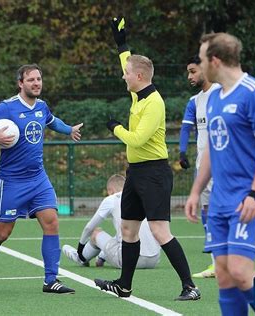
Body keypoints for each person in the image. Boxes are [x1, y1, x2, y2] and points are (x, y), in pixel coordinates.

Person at [94, 17, 200, 301]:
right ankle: (124, 285)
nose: (123, 76)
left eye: (127, 73)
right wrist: (121, 43)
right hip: (136, 173)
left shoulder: (154, 102)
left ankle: (190, 286)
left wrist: (115, 127)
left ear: (139, 77)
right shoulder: (138, 97)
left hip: (154, 173)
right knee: (128, 229)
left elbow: (138, 139)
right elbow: (128, 63)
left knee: (159, 231)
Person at [185, 32, 255, 315]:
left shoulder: (254, 92)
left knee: (240, 270)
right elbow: (213, 150)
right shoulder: (214, 98)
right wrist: (195, 190)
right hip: (220, 200)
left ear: (214, 61)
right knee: (225, 275)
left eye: (201, 61)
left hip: (248, 199)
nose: (200, 66)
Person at [0, 64, 83, 294]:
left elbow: (52, 121)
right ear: (20, 83)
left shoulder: (41, 106)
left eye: (39, 79)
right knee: (2, 233)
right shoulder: (6, 107)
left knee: (51, 221)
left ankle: (51, 280)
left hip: (38, 178)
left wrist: (68, 129)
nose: (36, 83)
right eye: (31, 80)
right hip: (11, 181)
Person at [179, 55, 220, 278]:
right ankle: (216, 263)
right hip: (202, 168)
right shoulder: (194, 101)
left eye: (193, 71)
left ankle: (228, 262)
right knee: (207, 211)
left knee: (222, 212)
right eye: (188, 72)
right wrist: (182, 152)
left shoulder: (222, 93)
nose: (189, 76)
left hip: (223, 166)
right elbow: (186, 128)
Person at [62, 174, 160, 269]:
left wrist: (80, 247)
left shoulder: (111, 199)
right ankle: (101, 257)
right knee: (126, 233)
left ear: (110, 191)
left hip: (131, 261)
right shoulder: (140, 197)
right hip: (154, 259)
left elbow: (89, 227)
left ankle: (81, 258)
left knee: (96, 233)